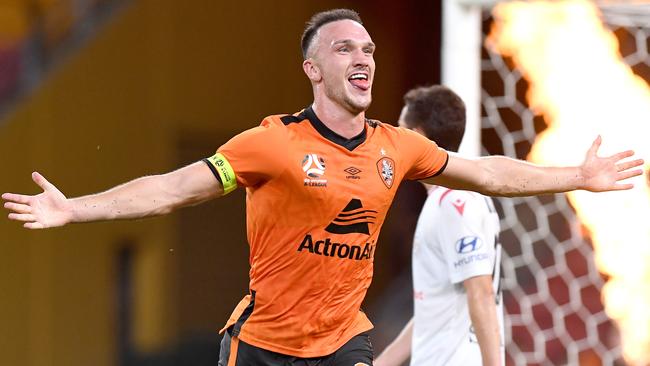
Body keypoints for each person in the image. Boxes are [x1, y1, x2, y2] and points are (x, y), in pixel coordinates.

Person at [1, 9, 643, 366]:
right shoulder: (270, 144)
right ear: (313, 69)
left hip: (342, 346)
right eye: (344, 49)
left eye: (367, 47)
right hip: (259, 349)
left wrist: (578, 178)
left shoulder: (400, 147)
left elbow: (491, 173)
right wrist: (75, 209)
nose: (363, 57)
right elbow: (175, 189)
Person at [375, 85, 504, 366]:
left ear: (419, 137)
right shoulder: (451, 197)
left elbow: (480, 290)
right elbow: (432, 310)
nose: (395, 139)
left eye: (401, 130)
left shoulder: (453, 202)